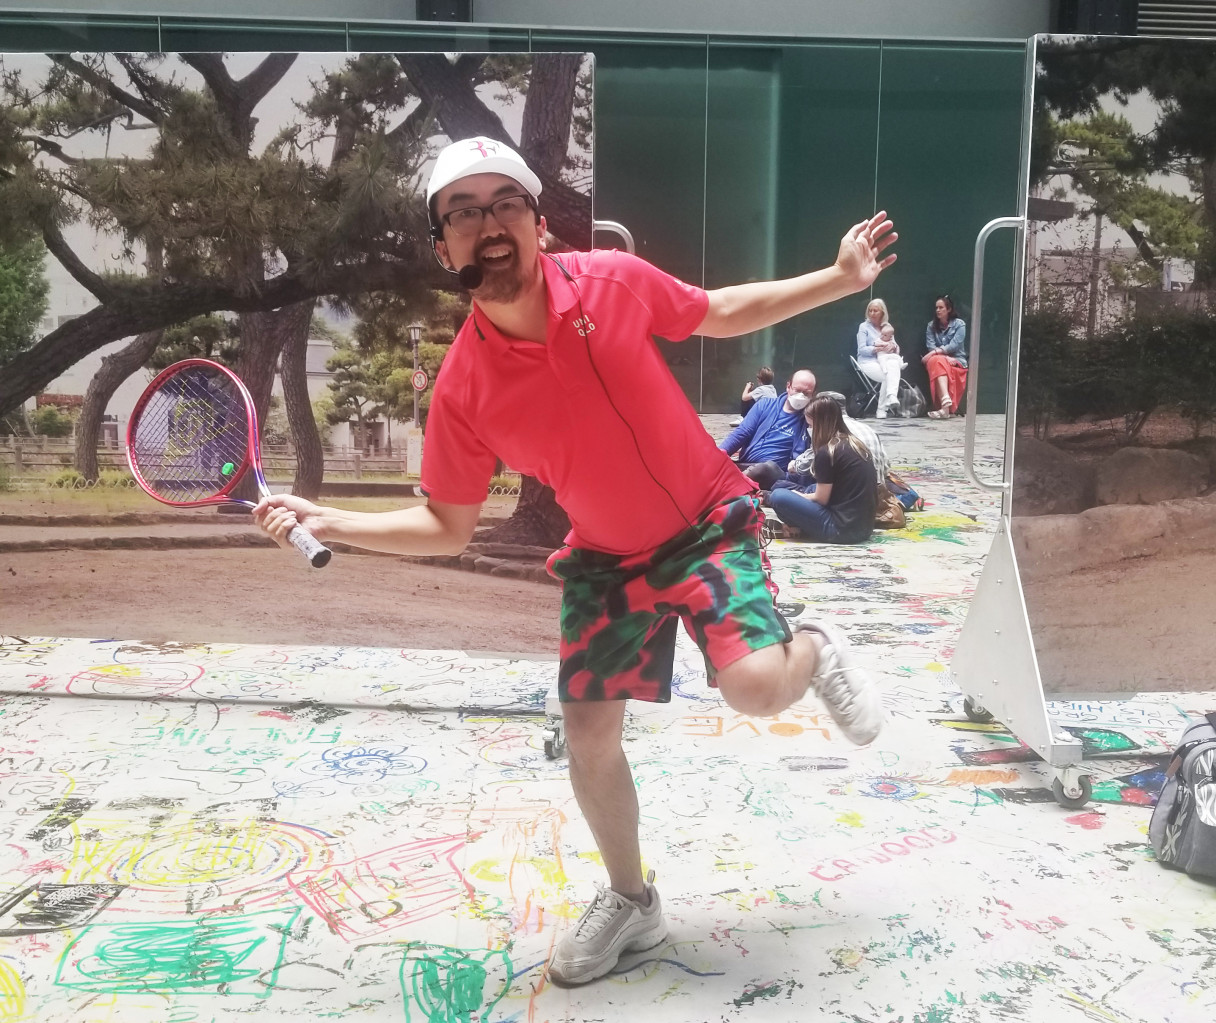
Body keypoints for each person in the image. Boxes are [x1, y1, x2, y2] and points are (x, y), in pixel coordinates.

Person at [253, 136, 897, 989]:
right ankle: (632, 901)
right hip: (605, 558)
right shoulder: (463, 386)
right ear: (443, 247)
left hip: (705, 522)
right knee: (589, 737)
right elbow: (446, 523)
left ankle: (814, 646)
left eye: (505, 204)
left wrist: (839, 278)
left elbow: (718, 310)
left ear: (538, 225)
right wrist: (328, 516)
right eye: (464, 212)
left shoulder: (608, 281)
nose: (488, 223)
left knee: (753, 687)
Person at [768, 394, 877, 543]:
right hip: (864, 527)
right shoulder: (855, 443)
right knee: (810, 488)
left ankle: (800, 527)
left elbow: (821, 499)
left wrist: (799, 496)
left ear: (820, 424)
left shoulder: (827, 452)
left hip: (841, 529)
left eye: (810, 425)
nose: (809, 429)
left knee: (778, 496)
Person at [717, 369, 817, 488]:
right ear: (788, 387)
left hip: (779, 475)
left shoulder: (811, 420)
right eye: (797, 390)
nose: (801, 396)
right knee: (717, 462)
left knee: (765, 468)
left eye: (806, 393)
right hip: (748, 465)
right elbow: (741, 433)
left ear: (813, 394)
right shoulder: (765, 405)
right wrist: (717, 456)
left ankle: (731, 486)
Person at [854, 297, 905, 418]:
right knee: (889, 374)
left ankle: (890, 398)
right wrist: (878, 348)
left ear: (882, 312)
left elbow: (895, 346)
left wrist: (892, 346)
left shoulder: (887, 326)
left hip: (886, 360)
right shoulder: (863, 327)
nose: (872, 313)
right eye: (870, 310)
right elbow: (862, 350)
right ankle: (884, 407)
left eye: (875, 311)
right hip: (868, 361)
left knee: (892, 365)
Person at [922, 295, 967, 419]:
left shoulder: (960, 324)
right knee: (937, 361)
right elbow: (931, 346)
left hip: (956, 360)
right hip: (938, 360)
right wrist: (942, 356)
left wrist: (933, 354)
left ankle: (945, 407)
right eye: (936, 308)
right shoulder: (931, 326)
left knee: (936, 360)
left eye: (941, 307)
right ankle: (945, 403)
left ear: (949, 309)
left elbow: (955, 345)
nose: (938, 310)